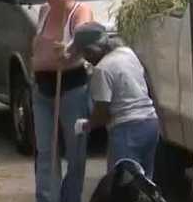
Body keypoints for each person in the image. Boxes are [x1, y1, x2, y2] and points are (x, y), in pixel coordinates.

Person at [23, 0, 95, 202]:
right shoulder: (44, 12)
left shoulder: (79, 11)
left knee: (75, 150)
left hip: (71, 84)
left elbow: (85, 37)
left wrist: (69, 49)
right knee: (46, 150)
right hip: (43, 86)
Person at [69, 22, 161, 177]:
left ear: (91, 50)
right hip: (150, 123)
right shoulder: (127, 53)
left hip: (127, 129)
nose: (86, 60)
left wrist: (86, 125)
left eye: (85, 54)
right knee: (144, 181)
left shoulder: (103, 69)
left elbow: (103, 113)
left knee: (121, 182)